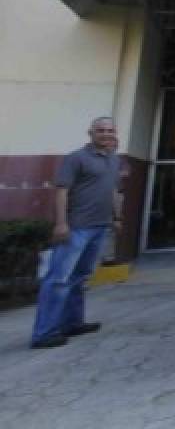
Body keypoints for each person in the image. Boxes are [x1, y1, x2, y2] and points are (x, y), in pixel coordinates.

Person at [30, 116, 122, 349]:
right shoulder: (76, 158)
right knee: (58, 279)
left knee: (79, 278)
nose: (106, 134)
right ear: (90, 133)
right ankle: (44, 333)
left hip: (99, 227)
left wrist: (117, 217)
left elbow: (113, 190)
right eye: (100, 130)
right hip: (76, 227)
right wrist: (61, 224)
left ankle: (72, 323)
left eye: (110, 130)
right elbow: (62, 192)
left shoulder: (113, 159)